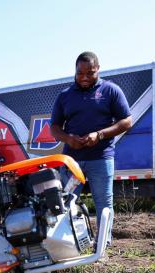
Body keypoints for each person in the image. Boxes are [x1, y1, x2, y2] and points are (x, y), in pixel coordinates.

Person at [50, 51, 132, 245]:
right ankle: (70, 245)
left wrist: (100, 134)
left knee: (104, 203)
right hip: (71, 161)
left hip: (101, 158)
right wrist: (68, 139)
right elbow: (54, 128)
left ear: (98, 70)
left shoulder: (111, 90)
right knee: (66, 203)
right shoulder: (65, 96)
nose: (85, 77)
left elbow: (126, 121)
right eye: (80, 73)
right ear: (75, 71)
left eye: (90, 73)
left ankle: (103, 244)